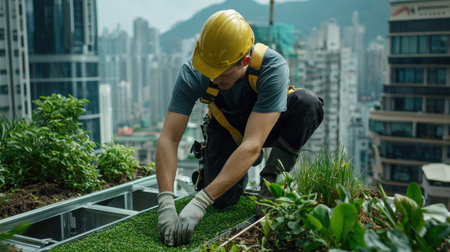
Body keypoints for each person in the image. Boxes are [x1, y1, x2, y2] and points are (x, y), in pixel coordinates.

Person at [156, 9, 324, 247]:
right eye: (209, 71)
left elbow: (253, 144)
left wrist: (201, 201)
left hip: (267, 127)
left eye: (221, 73)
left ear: (245, 61)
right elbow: (169, 138)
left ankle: (270, 182)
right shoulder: (194, 72)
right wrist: (165, 202)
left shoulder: (272, 67)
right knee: (222, 200)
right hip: (227, 128)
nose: (213, 79)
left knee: (307, 104)